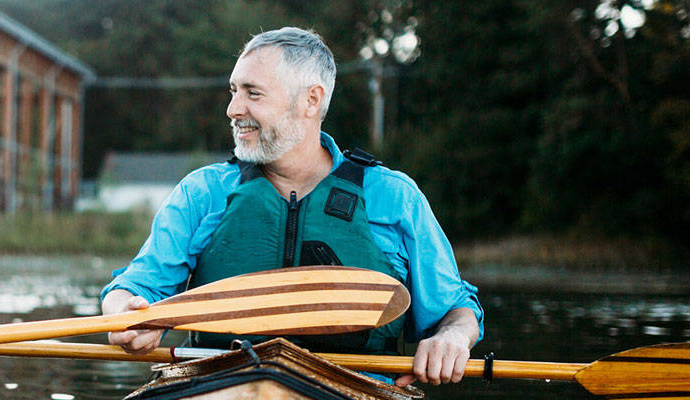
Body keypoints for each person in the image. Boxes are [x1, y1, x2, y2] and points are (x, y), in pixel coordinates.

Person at [100, 27, 482, 387]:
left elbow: (456, 310)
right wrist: (124, 313)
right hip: (224, 386)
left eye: (253, 93)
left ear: (311, 100)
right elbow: (134, 287)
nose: (233, 108)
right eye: (233, 91)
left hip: (353, 386)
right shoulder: (202, 193)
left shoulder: (395, 197)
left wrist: (452, 337)